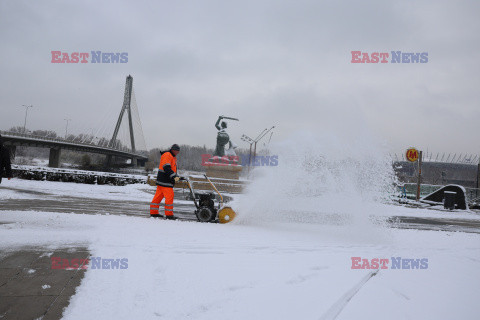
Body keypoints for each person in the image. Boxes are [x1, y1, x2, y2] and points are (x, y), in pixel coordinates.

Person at [150, 144, 182, 219]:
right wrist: (175, 177)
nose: (178, 153)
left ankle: (153, 212)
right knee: (169, 197)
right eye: (177, 151)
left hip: (162, 180)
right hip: (165, 181)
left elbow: (171, 169)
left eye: (178, 151)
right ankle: (169, 215)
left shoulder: (172, 156)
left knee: (157, 197)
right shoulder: (167, 155)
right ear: (173, 150)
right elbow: (166, 168)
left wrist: (177, 177)